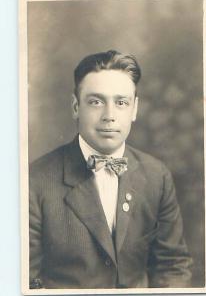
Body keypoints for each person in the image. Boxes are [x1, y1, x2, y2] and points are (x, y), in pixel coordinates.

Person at [29, 50, 193, 289]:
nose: (109, 116)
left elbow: (172, 267)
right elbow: (24, 283)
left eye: (121, 102)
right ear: (76, 107)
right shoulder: (34, 181)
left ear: (134, 109)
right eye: (96, 102)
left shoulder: (157, 176)